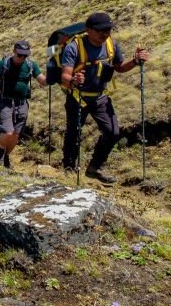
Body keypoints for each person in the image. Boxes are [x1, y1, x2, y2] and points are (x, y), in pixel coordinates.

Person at [60, 11, 150, 184]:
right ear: (88, 30)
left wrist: (135, 61)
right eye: (101, 30)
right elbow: (65, 76)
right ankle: (69, 169)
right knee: (74, 133)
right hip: (78, 97)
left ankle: (95, 167)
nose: (105, 33)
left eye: (108, 29)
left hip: (100, 97)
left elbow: (119, 67)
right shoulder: (74, 47)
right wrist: (73, 80)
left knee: (112, 132)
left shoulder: (111, 45)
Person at [0, 40, 48, 169]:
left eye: (25, 55)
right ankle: (1, 150)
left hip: (22, 102)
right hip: (6, 101)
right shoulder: (4, 63)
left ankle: (6, 156)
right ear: (14, 51)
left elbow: (43, 81)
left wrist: (54, 75)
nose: (22, 58)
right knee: (8, 131)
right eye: (19, 55)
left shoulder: (31, 65)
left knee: (16, 134)